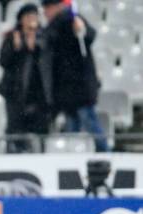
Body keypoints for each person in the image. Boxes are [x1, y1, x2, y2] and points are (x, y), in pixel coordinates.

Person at [42, 0, 107, 151]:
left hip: (79, 88)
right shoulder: (53, 27)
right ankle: (75, 157)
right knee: (73, 128)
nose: (45, 12)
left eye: (48, 8)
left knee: (89, 123)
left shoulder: (72, 19)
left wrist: (81, 30)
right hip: (68, 91)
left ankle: (105, 154)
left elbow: (89, 36)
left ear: (56, 6)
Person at [0, 3, 53, 153]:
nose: (31, 20)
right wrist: (15, 47)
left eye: (34, 17)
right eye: (28, 17)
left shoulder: (45, 36)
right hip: (16, 93)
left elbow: (49, 61)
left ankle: (40, 154)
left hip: (39, 94)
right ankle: (13, 153)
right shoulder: (12, 37)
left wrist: (34, 43)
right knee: (15, 129)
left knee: (40, 130)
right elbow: (3, 61)